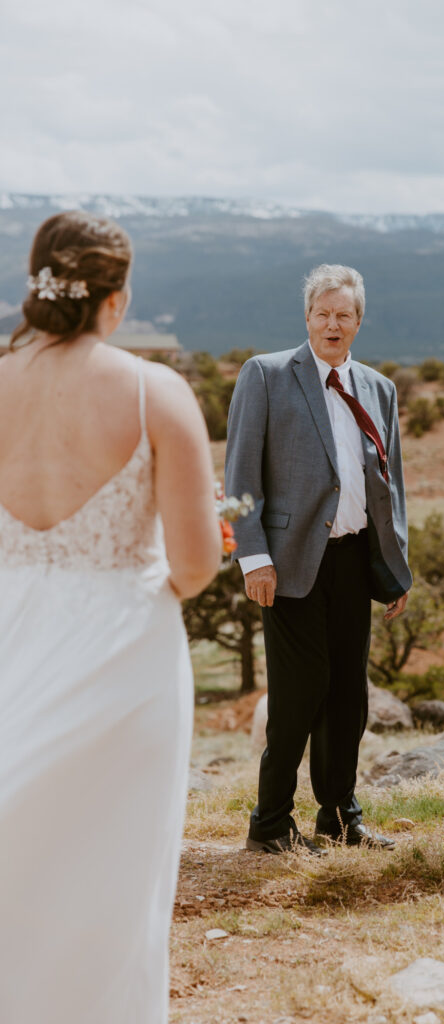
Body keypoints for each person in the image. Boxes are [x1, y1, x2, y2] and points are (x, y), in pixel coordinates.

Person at [0, 211, 221, 1023]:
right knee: (109, 874)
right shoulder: (154, 391)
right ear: (117, 300)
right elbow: (195, 565)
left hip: (9, 635)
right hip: (123, 651)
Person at [225, 263, 412, 855]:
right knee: (298, 695)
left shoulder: (379, 389)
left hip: (356, 561)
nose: (333, 324)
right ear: (307, 318)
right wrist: (252, 558)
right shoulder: (267, 375)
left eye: (344, 314)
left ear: (359, 320)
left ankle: (339, 819)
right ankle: (271, 824)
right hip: (286, 563)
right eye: (323, 313)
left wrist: (394, 567)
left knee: (347, 699)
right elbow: (239, 480)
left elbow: (392, 488)